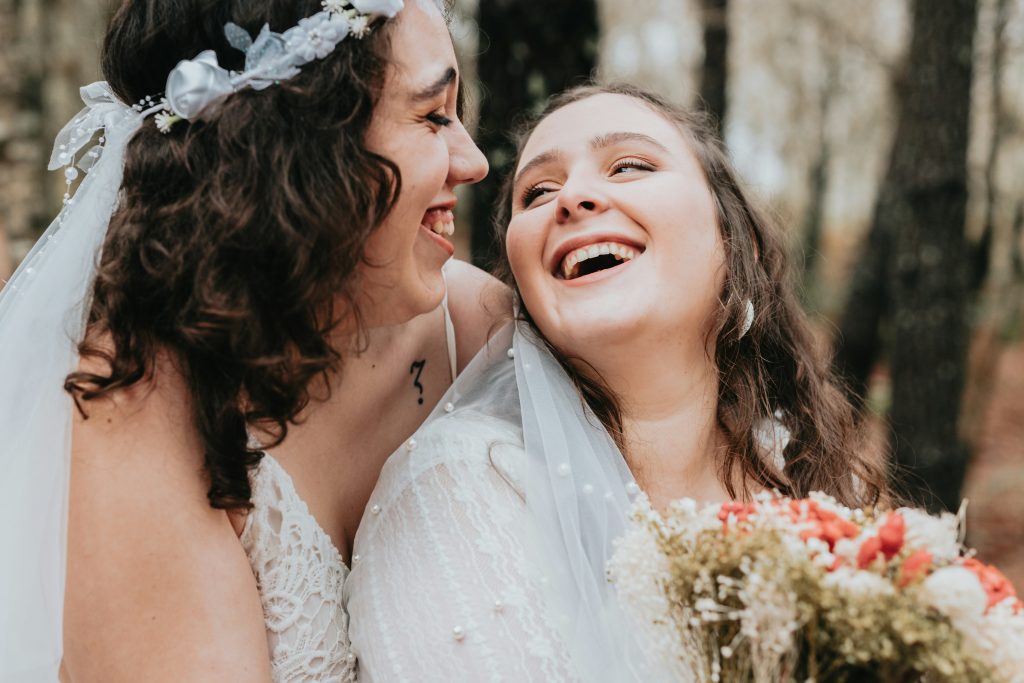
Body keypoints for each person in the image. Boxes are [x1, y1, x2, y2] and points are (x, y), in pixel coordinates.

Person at [0, 0, 508, 680]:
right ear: (306, 144)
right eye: (433, 115)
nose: (472, 161)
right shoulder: (135, 396)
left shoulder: (476, 328)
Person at [345, 83, 888, 681]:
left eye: (630, 165)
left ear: (738, 244)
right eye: (538, 192)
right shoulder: (457, 490)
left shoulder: (796, 474)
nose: (572, 198)